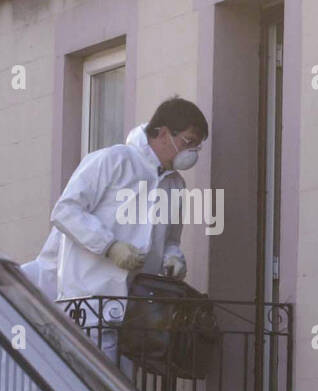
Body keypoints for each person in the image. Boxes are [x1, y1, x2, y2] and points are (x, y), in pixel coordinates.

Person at [48, 96, 208, 363]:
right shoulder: (112, 161)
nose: (191, 153)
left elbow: (171, 239)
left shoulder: (175, 185)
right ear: (164, 133)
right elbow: (65, 211)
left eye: (197, 147)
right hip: (89, 305)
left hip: (135, 315)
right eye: (188, 142)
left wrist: (173, 258)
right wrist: (109, 246)